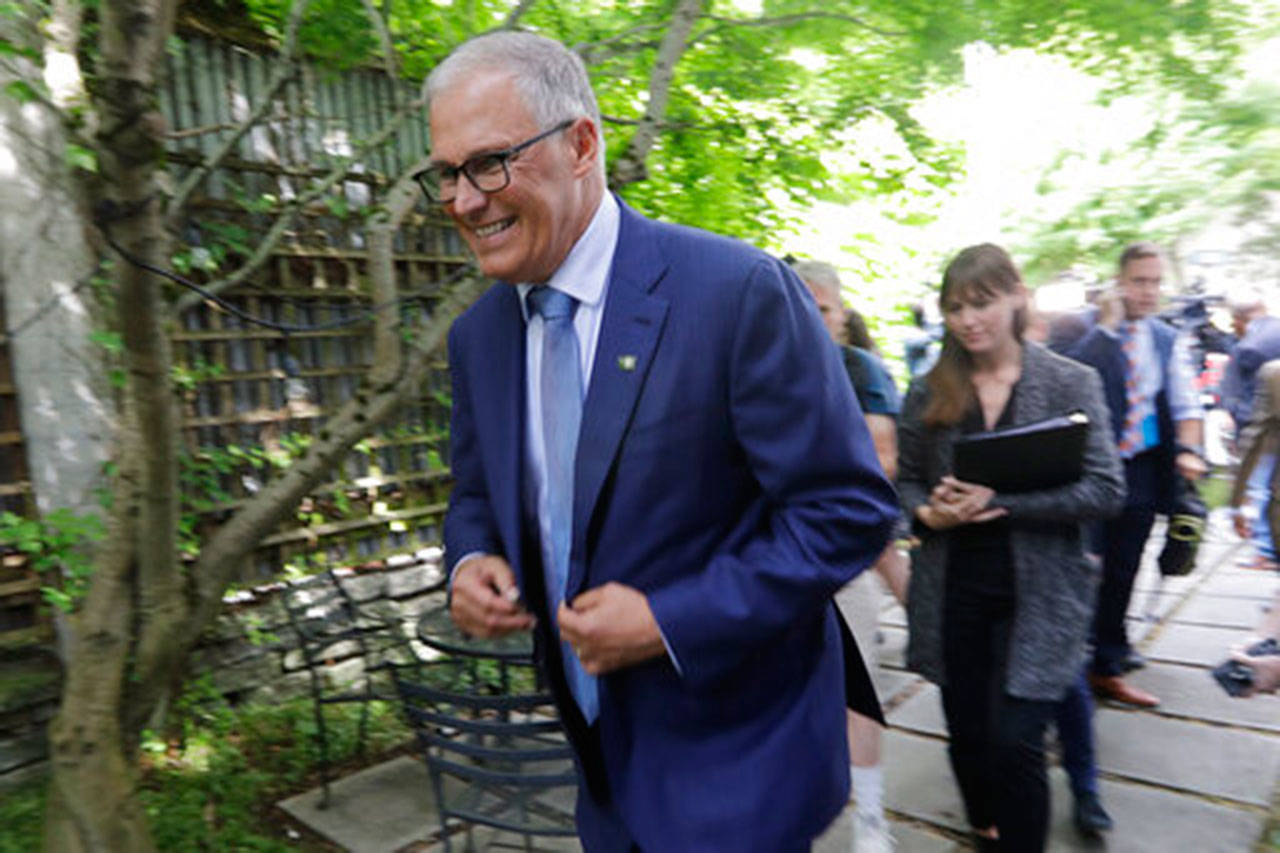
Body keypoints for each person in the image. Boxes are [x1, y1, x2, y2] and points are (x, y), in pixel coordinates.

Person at [433, 32, 899, 852]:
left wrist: (669, 619)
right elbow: (474, 493)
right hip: (598, 768)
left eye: (490, 163)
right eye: (447, 173)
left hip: (739, 766)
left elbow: (848, 512)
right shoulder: (480, 338)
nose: (465, 200)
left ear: (581, 144)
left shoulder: (737, 292)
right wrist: (470, 562)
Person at [898, 244, 1124, 851]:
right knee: (970, 739)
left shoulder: (1070, 381)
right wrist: (927, 511)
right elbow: (905, 481)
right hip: (953, 593)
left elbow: (1106, 488)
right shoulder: (928, 391)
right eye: (954, 308)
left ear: (1016, 296)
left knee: (1018, 744)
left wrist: (1005, 503)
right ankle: (986, 826)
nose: (968, 319)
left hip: (1042, 596)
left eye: (982, 302)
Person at [793, 260, 910, 853]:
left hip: (836, 549)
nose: (812, 322)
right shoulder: (765, 361)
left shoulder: (858, 369)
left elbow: (881, 460)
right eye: (803, 309)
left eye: (823, 311)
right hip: (770, 552)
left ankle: (868, 816)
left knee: (858, 684)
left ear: (840, 314)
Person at [1067, 242, 1206, 708]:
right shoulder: (1083, 328)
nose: (1148, 292)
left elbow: (1185, 403)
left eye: (1155, 282)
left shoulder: (1167, 339)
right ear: (1119, 282)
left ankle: (1107, 662)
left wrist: (1189, 450)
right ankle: (1071, 660)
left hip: (1143, 468)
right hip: (1089, 468)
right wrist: (1106, 330)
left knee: (1124, 568)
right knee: (1085, 565)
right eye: (1139, 281)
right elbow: (1071, 383)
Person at [1223, 290, 1280, 570]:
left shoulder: (1253, 349)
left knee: (1260, 485)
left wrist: (1235, 502)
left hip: (1266, 427)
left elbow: (1254, 423)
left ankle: (1266, 552)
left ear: (1239, 319)